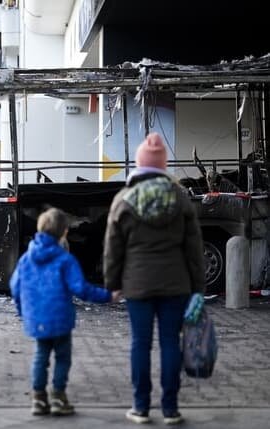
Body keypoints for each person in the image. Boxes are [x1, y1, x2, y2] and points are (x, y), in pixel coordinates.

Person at [104, 132, 205, 425]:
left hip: (137, 285)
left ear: (139, 165)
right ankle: (171, 409)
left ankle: (140, 407)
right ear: (163, 166)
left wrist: (113, 285)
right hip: (176, 285)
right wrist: (198, 288)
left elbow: (113, 249)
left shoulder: (123, 200)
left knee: (140, 344)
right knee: (171, 343)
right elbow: (194, 248)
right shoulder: (180, 198)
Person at [10, 207, 121, 417]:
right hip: (60, 319)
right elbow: (81, 288)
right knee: (62, 358)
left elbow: (15, 287)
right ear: (64, 233)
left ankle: (38, 399)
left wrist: (22, 311)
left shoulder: (26, 259)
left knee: (40, 357)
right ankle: (58, 397)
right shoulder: (65, 260)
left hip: (37, 319)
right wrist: (107, 296)